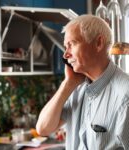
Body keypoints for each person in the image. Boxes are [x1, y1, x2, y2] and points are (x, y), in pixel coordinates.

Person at [36, 14, 129, 149]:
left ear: (98, 43)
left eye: (71, 44)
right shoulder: (76, 87)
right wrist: (67, 84)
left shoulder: (125, 96)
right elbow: (43, 128)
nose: (65, 55)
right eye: (65, 47)